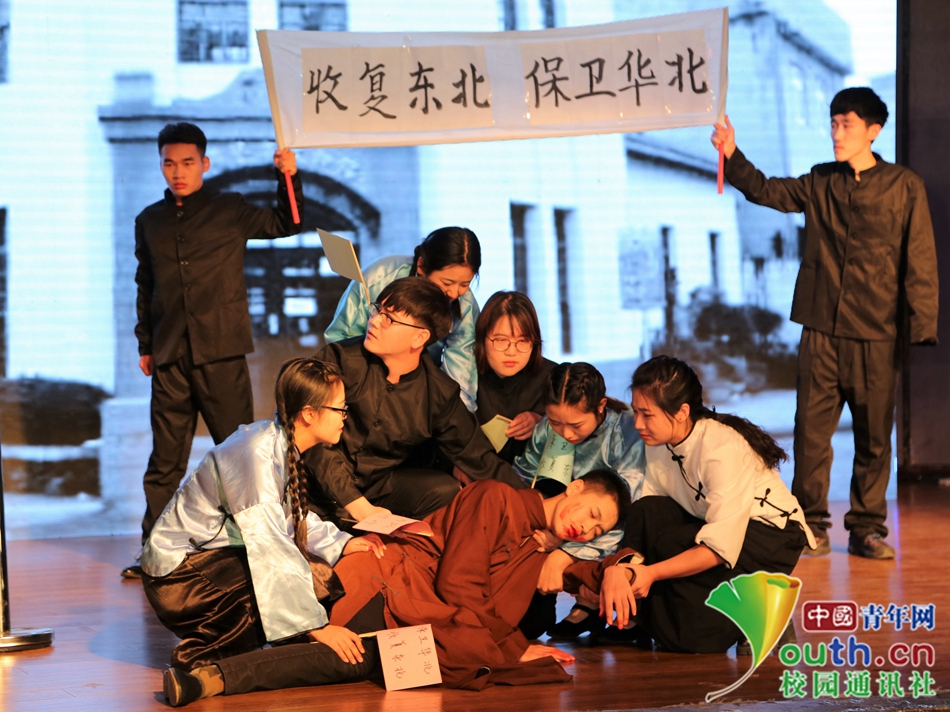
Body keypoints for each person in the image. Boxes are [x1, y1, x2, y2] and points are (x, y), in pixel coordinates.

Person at [711, 88, 938, 560]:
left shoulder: (904, 185)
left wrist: (922, 325)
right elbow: (767, 190)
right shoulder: (820, 181)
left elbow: (919, 256)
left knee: (874, 438)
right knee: (811, 435)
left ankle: (867, 529)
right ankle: (809, 525)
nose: (836, 133)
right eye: (833, 123)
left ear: (873, 131)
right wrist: (732, 153)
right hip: (820, 329)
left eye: (847, 124)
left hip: (877, 332)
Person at [140, 358, 386, 707]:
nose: (345, 416)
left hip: (209, 561)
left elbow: (291, 519)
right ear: (309, 414)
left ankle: (280, 640)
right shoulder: (256, 452)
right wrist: (314, 626)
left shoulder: (278, 442)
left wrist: (343, 544)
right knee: (293, 582)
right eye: (340, 408)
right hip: (179, 574)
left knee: (316, 576)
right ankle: (199, 658)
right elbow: (269, 545)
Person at [127, 122, 303, 578]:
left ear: (204, 163)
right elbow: (146, 285)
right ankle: (153, 552)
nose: (178, 171)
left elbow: (286, 223)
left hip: (222, 351)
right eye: (169, 163)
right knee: (165, 460)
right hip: (170, 355)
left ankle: (255, 547)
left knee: (238, 455)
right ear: (161, 165)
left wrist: (288, 175)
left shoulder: (229, 209)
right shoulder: (149, 220)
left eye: (187, 162)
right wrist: (146, 344)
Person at [568, 355, 813, 654]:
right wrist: (619, 568)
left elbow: (719, 545)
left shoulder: (721, 448)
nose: (638, 423)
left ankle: (763, 608)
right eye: (636, 412)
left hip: (769, 536)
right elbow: (649, 514)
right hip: (708, 526)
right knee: (646, 513)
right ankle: (641, 617)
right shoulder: (658, 441)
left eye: (647, 414)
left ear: (682, 412)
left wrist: (651, 573)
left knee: (688, 631)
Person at [330, 470, 631, 690]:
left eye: (597, 531)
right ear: (575, 487)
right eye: (592, 514)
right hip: (387, 586)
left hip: (421, 611)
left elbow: (583, 572)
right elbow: (458, 583)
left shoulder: (543, 547)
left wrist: (618, 568)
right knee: (347, 662)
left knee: (384, 664)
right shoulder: (494, 495)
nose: (586, 527)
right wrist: (513, 646)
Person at [305, 277, 523, 525]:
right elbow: (310, 435)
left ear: (420, 337)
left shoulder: (437, 392)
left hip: (374, 490)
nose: (374, 321)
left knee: (444, 490)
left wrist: (537, 503)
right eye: (377, 310)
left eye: (389, 318)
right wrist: (358, 506)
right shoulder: (340, 359)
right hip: (313, 487)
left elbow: (479, 457)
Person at [512, 362, 644, 638]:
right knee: (530, 623)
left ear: (601, 406)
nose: (566, 434)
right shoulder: (547, 430)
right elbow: (524, 481)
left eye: (576, 424)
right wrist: (541, 524)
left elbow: (623, 511)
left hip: (609, 530)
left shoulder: (625, 432)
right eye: (555, 421)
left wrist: (564, 552)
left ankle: (595, 604)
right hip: (555, 527)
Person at [325, 226, 482, 411]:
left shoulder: (465, 305)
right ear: (421, 266)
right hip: (363, 381)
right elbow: (341, 343)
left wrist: (454, 417)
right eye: (447, 282)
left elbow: (462, 375)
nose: (454, 293)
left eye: (465, 284)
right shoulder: (378, 278)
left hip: (421, 389)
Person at [474, 291, 556, 463]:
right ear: (482, 338)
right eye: (501, 340)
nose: (512, 352)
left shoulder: (553, 378)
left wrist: (542, 422)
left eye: (523, 341)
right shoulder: (463, 377)